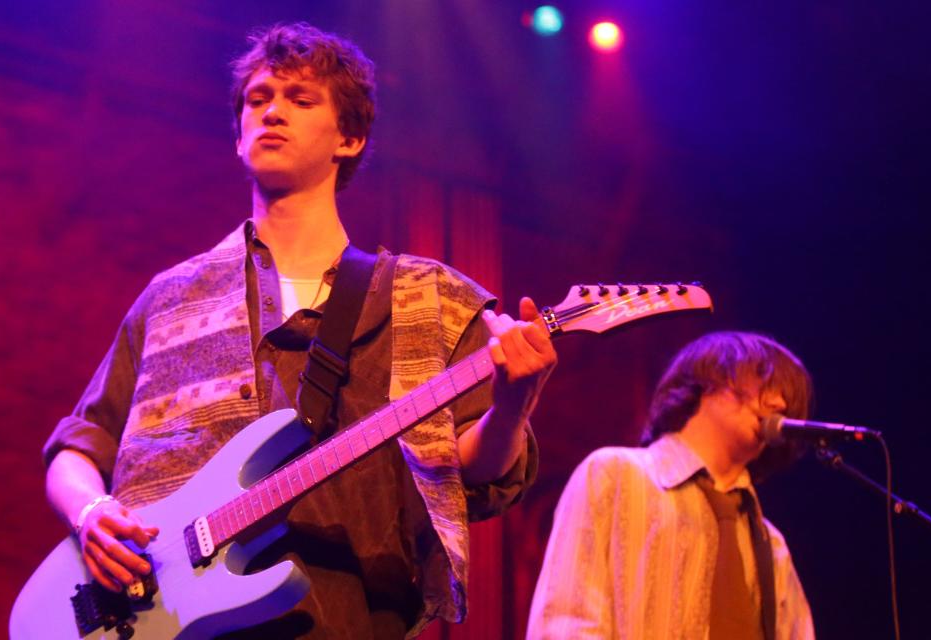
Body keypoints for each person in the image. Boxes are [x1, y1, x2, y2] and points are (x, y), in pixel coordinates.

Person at [43, 22, 556, 638]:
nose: (272, 112)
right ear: (237, 137)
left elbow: (472, 465)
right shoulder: (171, 298)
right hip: (165, 617)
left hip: (350, 611)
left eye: (300, 99)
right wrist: (91, 509)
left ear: (351, 136)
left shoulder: (429, 299)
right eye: (258, 100)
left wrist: (513, 405)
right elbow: (79, 446)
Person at [526, 331, 815, 639]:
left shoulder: (771, 545)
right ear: (708, 379)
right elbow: (567, 622)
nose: (779, 402)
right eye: (766, 384)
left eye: (787, 397)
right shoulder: (615, 475)